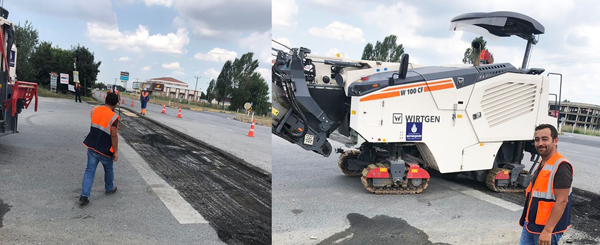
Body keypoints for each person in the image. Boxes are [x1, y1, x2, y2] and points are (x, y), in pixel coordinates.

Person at [519, 124, 573, 245]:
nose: (540, 143)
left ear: (555, 141)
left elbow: (562, 201)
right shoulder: (543, 162)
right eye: (537, 140)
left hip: (546, 228)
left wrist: (548, 231)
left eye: (545, 139)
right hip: (531, 224)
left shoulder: (561, 165)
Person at [79, 92, 120, 206]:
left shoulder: (94, 110)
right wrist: (115, 152)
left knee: (89, 171)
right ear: (116, 104)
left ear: (105, 100)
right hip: (105, 149)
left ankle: (84, 196)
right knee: (108, 169)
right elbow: (114, 136)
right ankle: (109, 188)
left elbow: (96, 119)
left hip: (92, 145)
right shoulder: (114, 117)